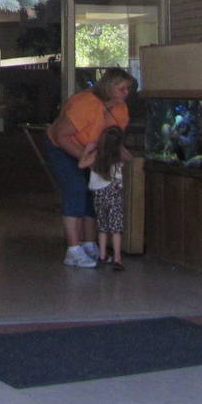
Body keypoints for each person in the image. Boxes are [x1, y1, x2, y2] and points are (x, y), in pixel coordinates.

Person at [43, 67, 135, 268]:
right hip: (62, 147)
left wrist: (126, 158)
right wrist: (88, 160)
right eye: (122, 89)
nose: (126, 93)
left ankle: (89, 244)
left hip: (90, 150)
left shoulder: (120, 109)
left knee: (94, 192)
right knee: (75, 189)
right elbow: (61, 136)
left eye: (128, 89)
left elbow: (113, 139)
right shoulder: (85, 104)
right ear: (110, 87)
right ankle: (73, 250)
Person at [81, 125, 128, 270]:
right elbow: (131, 158)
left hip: (99, 194)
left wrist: (87, 150)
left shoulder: (96, 155)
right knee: (116, 228)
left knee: (102, 226)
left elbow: (81, 164)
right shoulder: (119, 156)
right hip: (114, 192)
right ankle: (117, 258)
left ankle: (102, 255)